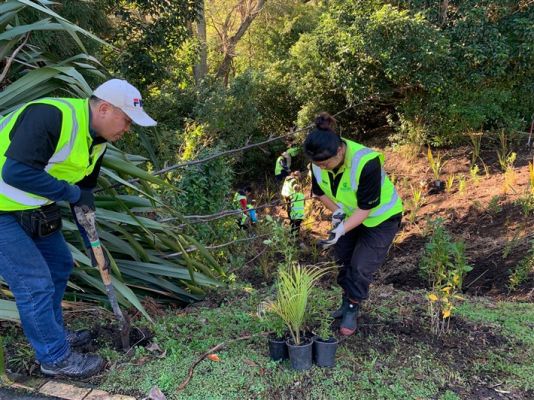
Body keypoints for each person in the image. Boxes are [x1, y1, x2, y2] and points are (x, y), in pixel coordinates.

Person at [0, 78, 157, 378]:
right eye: (126, 120)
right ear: (105, 109)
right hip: (2, 209)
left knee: (60, 264)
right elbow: (15, 172)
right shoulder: (50, 116)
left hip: (30, 206)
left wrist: (91, 243)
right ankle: (54, 358)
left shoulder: (97, 142)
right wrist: (69, 193)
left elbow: (83, 194)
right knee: (34, 282)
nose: (127, 129)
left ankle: (54, 335)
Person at [303, 112, 403, 336]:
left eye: (326, 163)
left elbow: (365, 209)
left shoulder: (366, 162)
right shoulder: (318, 161)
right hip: (351, 215)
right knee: (342, 260)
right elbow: (319, 192)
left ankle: (351, 307)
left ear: (339, 150)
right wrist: (338, 212)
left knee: (360, 266)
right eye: (318, 164)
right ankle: (345, 300)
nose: (323, 167)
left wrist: (340, 229)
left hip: (381, 218)